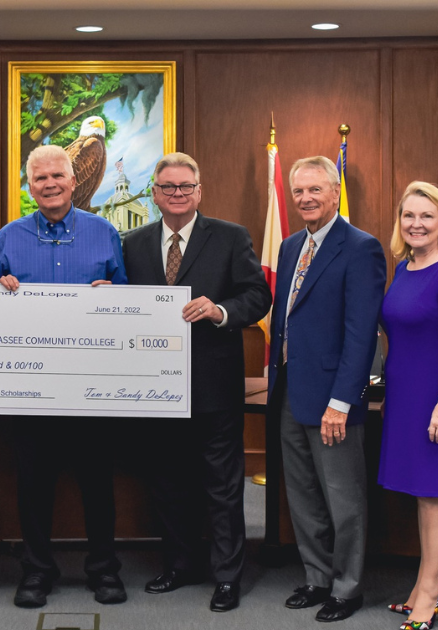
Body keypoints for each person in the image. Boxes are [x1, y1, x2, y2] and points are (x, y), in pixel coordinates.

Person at [121, 153, 272, 612]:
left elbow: (257, 296)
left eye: (186, 187)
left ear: (199, 191)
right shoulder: (132, 243)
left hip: (212, 385)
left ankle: (227, 577)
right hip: (154, 386)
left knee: (222, 486)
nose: (177, 194)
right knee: (168, 481)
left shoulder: (229, 237)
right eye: (168, 187)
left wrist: (220, 311)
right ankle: (180, 565)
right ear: (154, 193)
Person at [0, 144, 128, 608]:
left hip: (92, 389)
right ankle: (36, 573)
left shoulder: (105, 232)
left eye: (57, 177)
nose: (49, 184)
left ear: (74, 181)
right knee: (34, 485)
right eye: (39, 177)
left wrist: (113, 294)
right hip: (32, 391)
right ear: (30, 185)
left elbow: (128, 301)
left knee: (97, 485)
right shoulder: (9, 236)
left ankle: (104, 571)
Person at [267, 155, 386, 623]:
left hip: (334, 399)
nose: (305, 199)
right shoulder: (291, 245)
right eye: (298, 191)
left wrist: (341, 401)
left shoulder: (361, 247)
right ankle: (317, 577)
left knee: (344, 497)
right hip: (289, 391)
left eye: (315, 190)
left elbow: (361, 333)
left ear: (335, 192)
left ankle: (347, 587)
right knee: (303, 494)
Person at [378, 182, 438, 630]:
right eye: (408, 216)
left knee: (435, 495)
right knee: (421, 494)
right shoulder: (403, 267)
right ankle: (424, 586)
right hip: (403, 397)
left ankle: (430, 592)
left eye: (426, 217)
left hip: (436, 397)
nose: (416, 224)